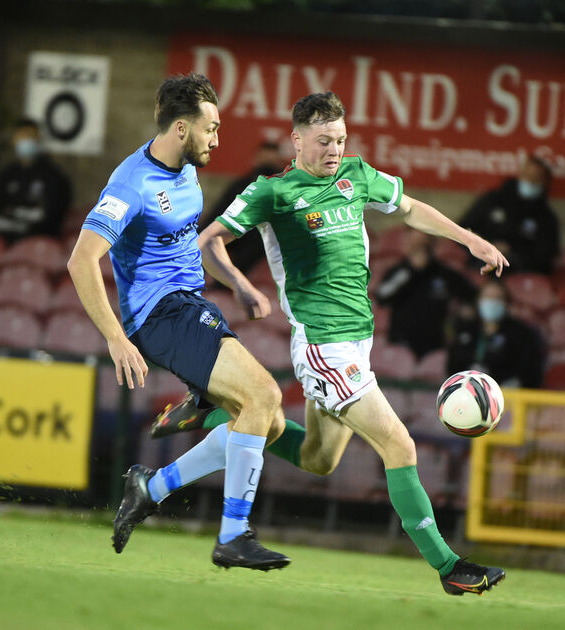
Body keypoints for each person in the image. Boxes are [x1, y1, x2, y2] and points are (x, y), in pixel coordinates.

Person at [154, 91, 509, 596]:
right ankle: (449, 567)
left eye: (340, 140)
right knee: (399, 444)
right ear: (296, 140)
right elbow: (209, 239)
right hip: (323, 347)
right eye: (323, 141)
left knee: (320, 458)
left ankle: (210, 412)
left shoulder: (357, 175)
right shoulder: (272, 192)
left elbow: (410, 209)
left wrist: (468, 239)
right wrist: (242, 285)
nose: (334, 150)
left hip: (358, 345)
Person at [66, 73, 289, 571]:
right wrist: (116, 338)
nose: (218, 139)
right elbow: (82, 261)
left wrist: (239, 284)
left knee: (266, 424)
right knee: (265, 397)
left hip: (193, 305)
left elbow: (188, 244)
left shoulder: (186, 172)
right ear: (182, 128)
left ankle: (152, 485)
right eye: (211, 128)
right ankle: (233, 535)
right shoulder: (131, 183)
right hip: (160, 314)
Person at [375, 230, 477, 358]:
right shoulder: (398, 271)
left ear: (432, 245)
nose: (420, 247)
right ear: (408, 244)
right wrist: (411, 270)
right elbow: (382, 297)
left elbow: (471, 295)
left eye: (424, 243)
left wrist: (465, 310)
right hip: (400, 343)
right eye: (415, 243)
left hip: (434, 346)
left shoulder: (444, 273)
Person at [459, 156, 559, 274]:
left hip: (519, 273)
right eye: (527, 176)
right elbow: (464, 229)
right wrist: (488, 246)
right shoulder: (493, 200)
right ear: (520, 174)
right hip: (479, 263)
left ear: (544, 182)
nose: (530, 182)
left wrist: (512, 251)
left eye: (535, 178)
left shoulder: (546, 218)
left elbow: (545, 257)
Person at [199, 140, 288, 274]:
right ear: (256, 159)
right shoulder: (242, 184)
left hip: (261, 235)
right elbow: (220, 212)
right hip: (238, 229)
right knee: (211, 233)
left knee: (258, 240)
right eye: (264, 160)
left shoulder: (284, 187)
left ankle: (226, 283)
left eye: (271, 161)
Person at [446, 280, 545, 388]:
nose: (492, 302)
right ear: (479, 301)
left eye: (497, 298)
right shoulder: (466, 331)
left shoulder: (521, 333)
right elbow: (452, 366)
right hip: (466, 395)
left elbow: (529, 373)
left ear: (506, 303)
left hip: (507, 397)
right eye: (488, 297)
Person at [0, 117, 72, 242]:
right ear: (13, 140)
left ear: (38, 139)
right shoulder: (6, 176)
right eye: (22, 136)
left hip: (40, 243)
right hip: (6, 241)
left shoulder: (53, 176)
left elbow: (55, 213)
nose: (27, 140)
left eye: (31, 136)